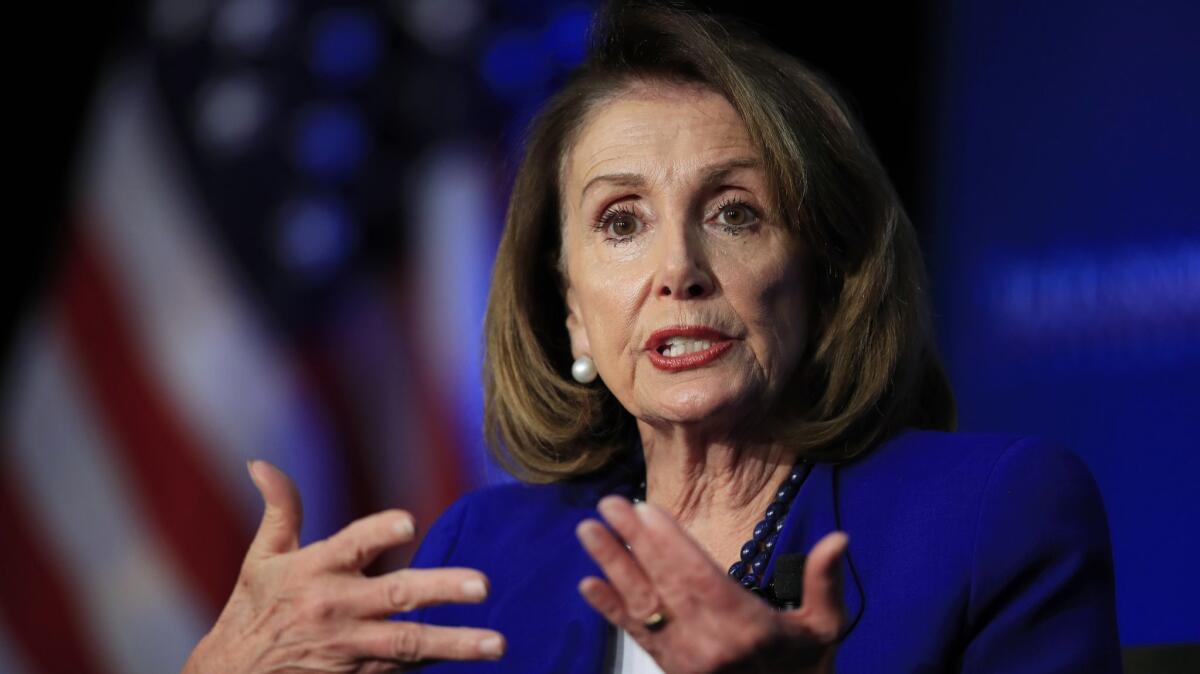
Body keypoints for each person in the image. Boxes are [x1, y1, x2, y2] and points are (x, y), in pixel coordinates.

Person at [183, 2, 1122, 672]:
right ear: (571, 310)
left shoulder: (994, 518)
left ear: (827, 275)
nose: (678, 267)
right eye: (621, 222)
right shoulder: (487, 552)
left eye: (736, 213)